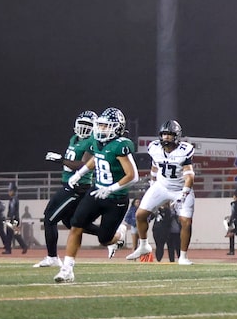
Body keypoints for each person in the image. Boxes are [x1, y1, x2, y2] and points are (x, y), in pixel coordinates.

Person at [54, 108, 138, 284]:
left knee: (104, 239)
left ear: (117, 128)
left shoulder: (120, 145)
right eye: (100, 125)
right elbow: (96, 159)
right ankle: (67, 269)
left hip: (116, 199)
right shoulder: (97, 142)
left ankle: (119, 235)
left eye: (106, 126)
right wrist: (79, 174)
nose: (101, 129)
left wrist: (111, 189)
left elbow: (132, 175)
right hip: (96, 191)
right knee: (76, 225)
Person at [125, 120, 197, 265]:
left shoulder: (184, 151)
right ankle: (144, 245)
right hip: (161, 186)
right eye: (164, 134)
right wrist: (152, 183)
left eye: (169, 135)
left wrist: (183, 195)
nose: (166, 138)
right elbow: (155, 165)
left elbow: (190, 176)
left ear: (176, 136)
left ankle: (183, 256)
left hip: (179, 189)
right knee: (140, 214)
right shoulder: (154, 148)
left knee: (186, 221)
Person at [34, 110, 98, 269]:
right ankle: (111, 234)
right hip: (69, 184)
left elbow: (84, 165)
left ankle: (52, 257)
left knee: (49, 218)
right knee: (71, 223)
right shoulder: (74, 138)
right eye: (82, 124)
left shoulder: (91, 142)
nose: (84, 128)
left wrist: (60, 160)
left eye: (88, 125)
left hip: (77, 187)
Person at [3, 186, 28, 254]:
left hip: (13, 219)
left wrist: (10, 217)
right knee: (13, 234)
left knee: (11, 234)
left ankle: (9, 249)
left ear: (13, 191)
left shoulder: (13, 199)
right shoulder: (13, 199)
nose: (9, 192)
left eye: (10, 191)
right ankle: (23, 246)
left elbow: (12, 209)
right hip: (14, 219)